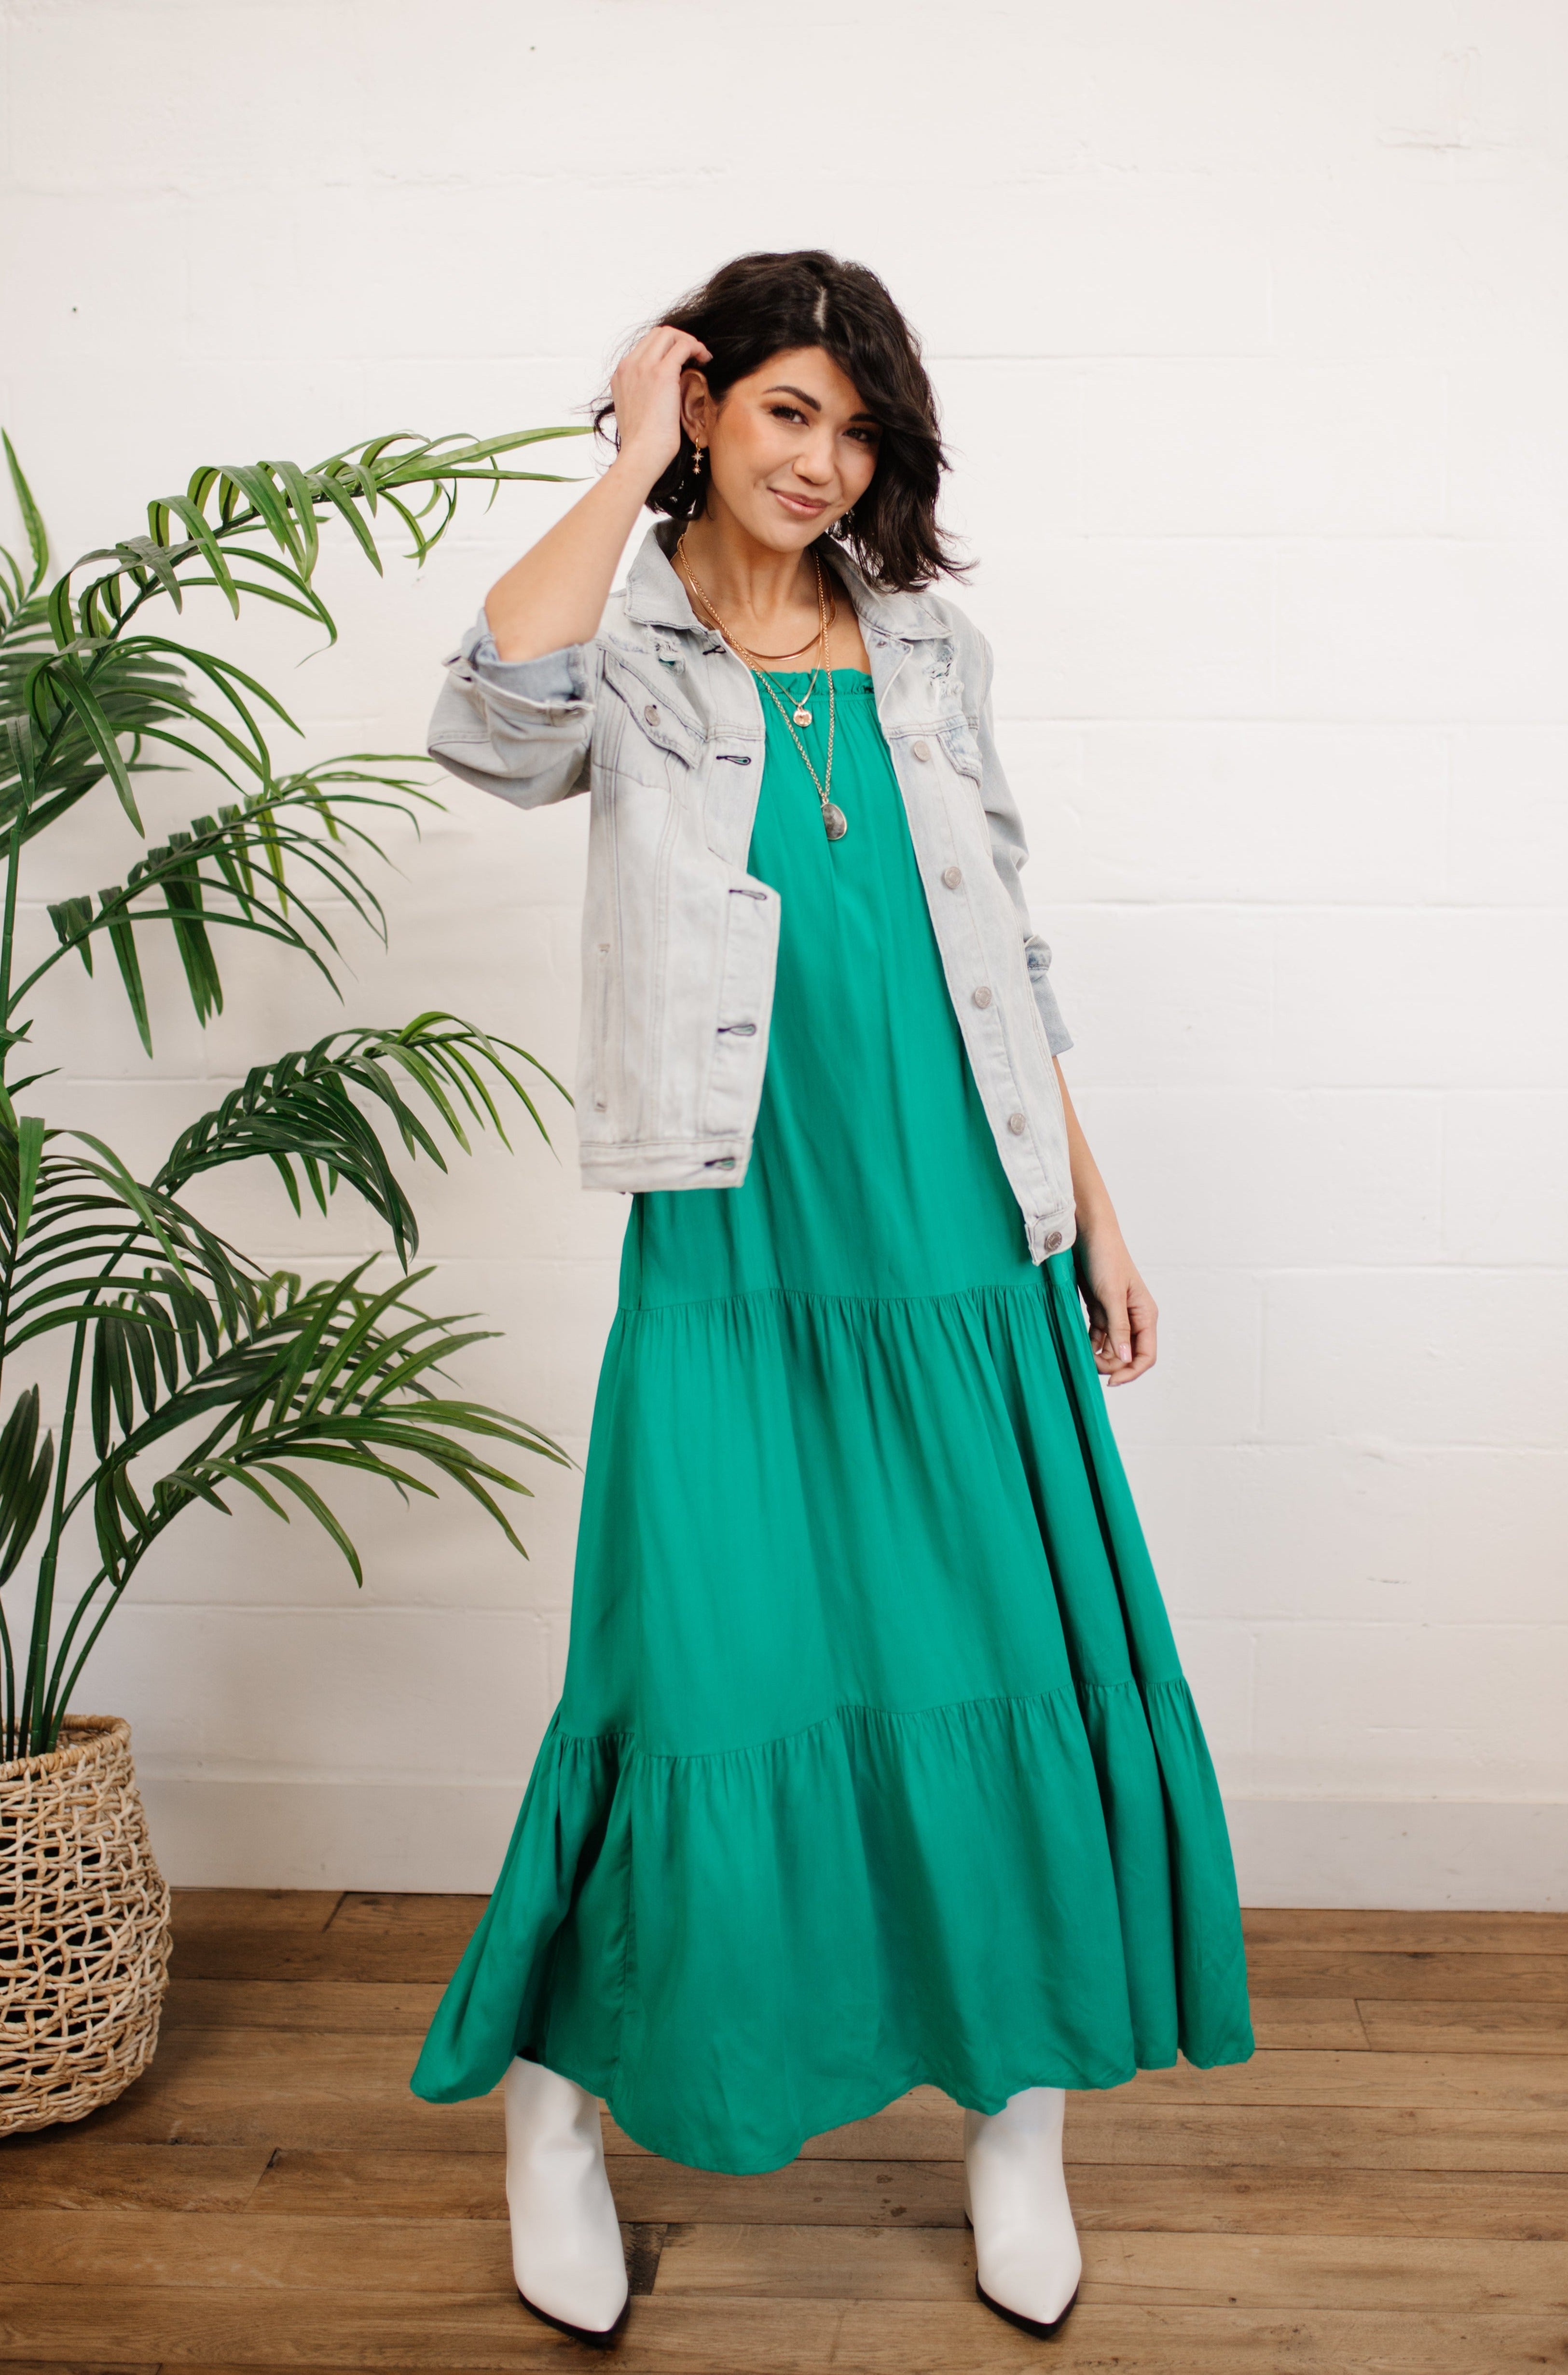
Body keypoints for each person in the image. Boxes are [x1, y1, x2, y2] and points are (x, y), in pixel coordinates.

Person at [411, 248, 1253, 2348]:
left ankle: (1017, 2124)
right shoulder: (632, 650)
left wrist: (1094, 1210)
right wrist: (629, 456)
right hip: (740, 1244)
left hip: (966, 1237)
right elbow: (485, 721)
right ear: (708, 402)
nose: (824, 462)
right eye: (789, 410)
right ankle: (554, 2116)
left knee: (1005, 1664)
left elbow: (1007, 956)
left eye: (858, 430)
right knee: (693, 1681)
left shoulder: (933, 651)